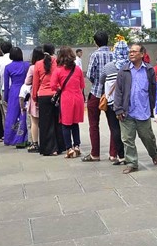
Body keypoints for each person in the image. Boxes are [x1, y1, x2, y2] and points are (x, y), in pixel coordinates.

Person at [115, 43, 157, 173]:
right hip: (127, 111)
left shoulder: (149, 70)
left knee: (147, 137)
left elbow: (152, 89)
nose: (131, 53)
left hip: (143, 110)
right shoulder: (124, 71)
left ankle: (154, 153)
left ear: (142, 54)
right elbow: (118, 91)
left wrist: (152, 106)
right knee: (127, 139)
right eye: (130, 51)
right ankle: (131, 163)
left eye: (135, 51)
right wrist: (118, 108)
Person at [52, 47, 85, 159]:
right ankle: (77, 145)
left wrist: (60, 88)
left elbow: (53, 86)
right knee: (75, 123)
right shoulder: (78, 69)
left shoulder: (58, 70)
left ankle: (69, 148)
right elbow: (82, 85)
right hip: (78, 98)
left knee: (66, 125)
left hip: (66, 99)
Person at [84, 31, 112, 161]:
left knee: (94, 124)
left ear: (95, 42)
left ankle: (95, 154)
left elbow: (89, 75)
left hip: (96, 93)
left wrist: (97, 82)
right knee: (113, 125)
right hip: (111, 93)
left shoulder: (95, 55)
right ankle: (114, 154)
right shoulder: (113, 54)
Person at [101, 39, 129, 165]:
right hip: (128, 103)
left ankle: (121, 156)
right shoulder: (130, 66)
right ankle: (130, 154)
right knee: (127, 129)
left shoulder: (108, 67)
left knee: (115, 129)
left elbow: (102, 80)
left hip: (112, 102)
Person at [33, 44, 63, 156]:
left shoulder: (38, 64)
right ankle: (60, 146)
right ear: (53, 51)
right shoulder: (58, 62)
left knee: (45, 124)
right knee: (57, 122)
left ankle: (49, 148)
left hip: (43, 96)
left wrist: (35, 98)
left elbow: (36, 84)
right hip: (56, 95)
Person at [3, 47, 29, 148]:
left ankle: (10, 138)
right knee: (24, 114)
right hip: (25, 90)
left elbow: (6, 84)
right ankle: (24, 138)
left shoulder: (8, 67)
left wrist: (6, 97)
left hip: (13, 91)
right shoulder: (27, 65)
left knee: (12, 116)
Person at [25, 48, 45, 153]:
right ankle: (45, 142)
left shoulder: (33, 67)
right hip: (46, 95)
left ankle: (35, 143)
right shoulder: (47, 65)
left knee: (34, 121)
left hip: (35, 95)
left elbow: (27, 82)